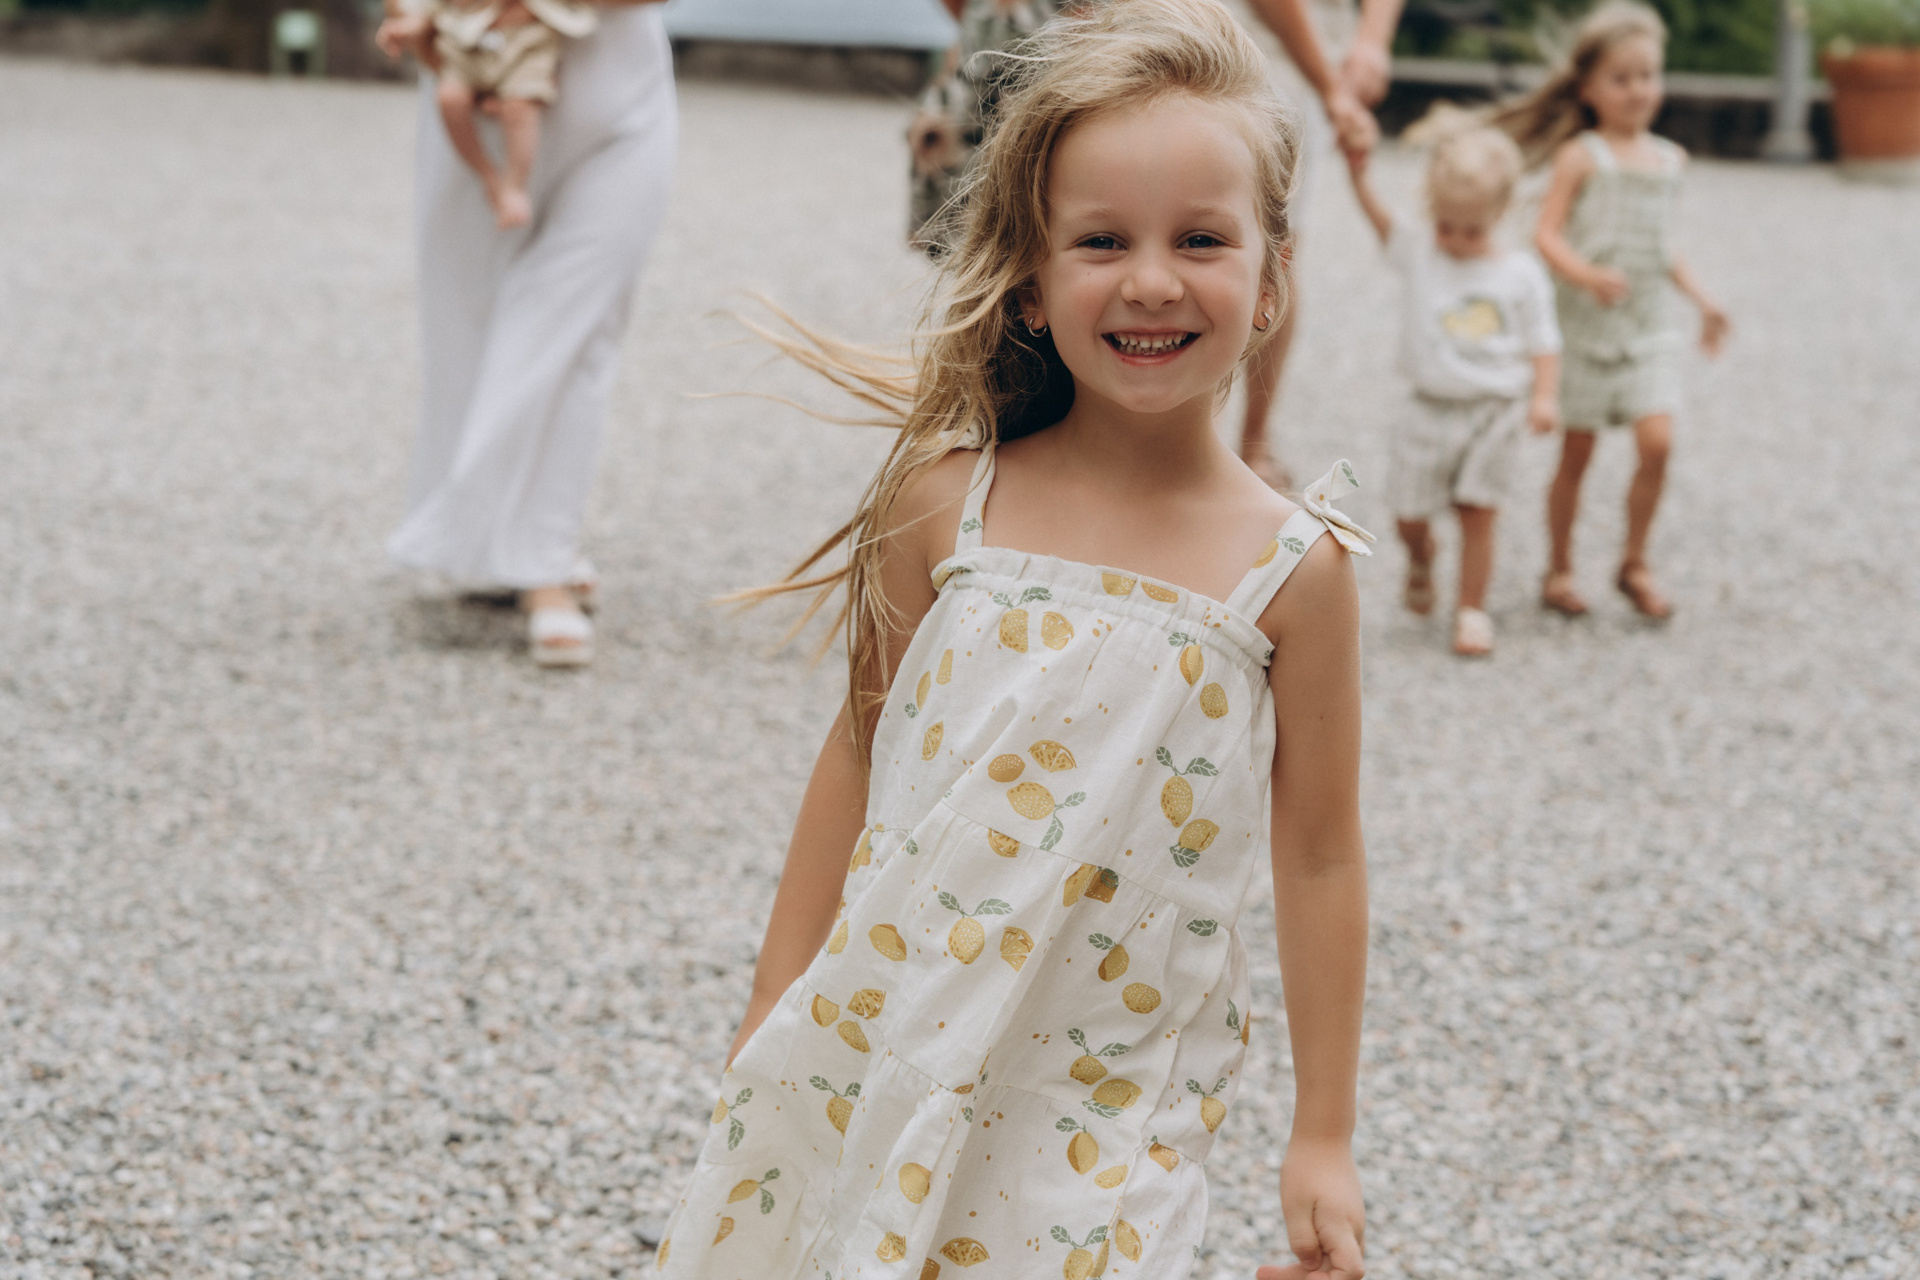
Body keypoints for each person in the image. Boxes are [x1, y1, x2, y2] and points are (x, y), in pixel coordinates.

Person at [658, 2, 1373, 1275]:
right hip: (890, 1033)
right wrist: (776, 1001)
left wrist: (1322, 1134)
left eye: (1200, 238)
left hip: (1104, 1100)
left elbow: (1320, 856)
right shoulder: (947, 504)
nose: (1151, 280)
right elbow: (858, 748)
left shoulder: (1295, 573)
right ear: (1033, 279)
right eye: (1102, 240)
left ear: (1273, 277)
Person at [377, 0, 676, 667]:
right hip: (473, 82)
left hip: (619, 93)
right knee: (467, 325)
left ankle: (539, 556)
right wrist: (423, 27)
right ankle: (488, 535)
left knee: (577, 326)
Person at [1493, 0, 1729, 619]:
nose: (1638, 90)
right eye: (1621, 78)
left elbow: (1663, 248)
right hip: (1585, 333)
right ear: (1589, 88)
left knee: (1658, 442)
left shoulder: (1670, 160)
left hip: (1648, 331)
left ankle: (1635, 562)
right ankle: (1559, 568)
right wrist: (1585, 274)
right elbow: (1545, 234)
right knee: (1577, 453)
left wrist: (1704, 301)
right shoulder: (1582, 155)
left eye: (1647, 75)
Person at [1347, 125, 1562, 656]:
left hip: (1494, 410)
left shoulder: (1521, 274)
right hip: (1429, 408)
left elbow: (1544, 342)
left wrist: (1544, 397)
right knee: (1408, 514)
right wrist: (1358, 174)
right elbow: (1380, 221)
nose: (1458, 239)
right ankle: (1422, 553)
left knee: (1478, 513)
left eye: (1472, 230)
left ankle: (1471, 610)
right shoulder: (1421, 250)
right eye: (1446, 226)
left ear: (1501, 212)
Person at [1227, 0, 1405, 492]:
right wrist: (1332, 88)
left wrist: (1370, 43)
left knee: (1275, 257)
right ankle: (1213, 440)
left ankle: (1251, 441)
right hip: (1241, 48)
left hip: (1315, 64)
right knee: (1227, 249)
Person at [378, 0, 597, 231]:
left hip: (524, 45)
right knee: (449, 98)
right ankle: (488, 176)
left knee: (518, 107)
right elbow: (431, 10)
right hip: (466, 45)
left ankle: (515, 186)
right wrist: (407, 28)